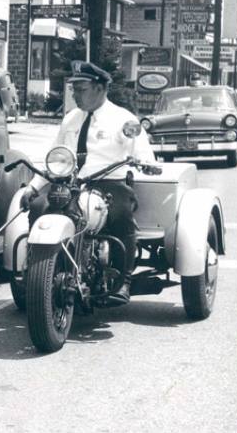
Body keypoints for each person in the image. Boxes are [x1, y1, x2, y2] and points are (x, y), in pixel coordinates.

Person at [18, 60, 156, 305]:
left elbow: (143, 151)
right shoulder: (71, 119)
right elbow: (57, 157)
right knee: (39, 207)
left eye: (81, 90)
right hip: (72, 183)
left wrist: (145, 162)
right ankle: (36, 271)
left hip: (110, 183)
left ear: (100, 88)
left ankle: (123, 281)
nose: (75, 95)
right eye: (74, 90)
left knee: (122, 214)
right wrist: (34, 187)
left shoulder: (123, 119)